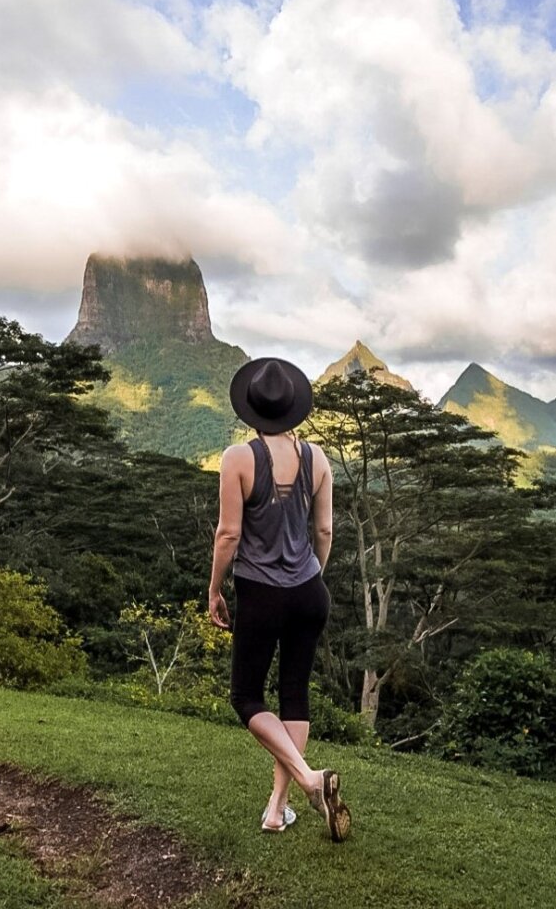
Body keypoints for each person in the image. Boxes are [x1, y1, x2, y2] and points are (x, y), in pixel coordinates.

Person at [208, 357, 351, 842]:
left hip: (260, 592)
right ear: (294, 409)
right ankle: (276, 808)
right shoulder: (319, 460)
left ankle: (309, 780)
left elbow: (229, 534)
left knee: (246, 697)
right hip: (310, 591)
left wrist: (213, 590)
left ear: (251, 409)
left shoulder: (237, 458)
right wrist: (312, 578)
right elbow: (325, 531)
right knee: (295, 693)